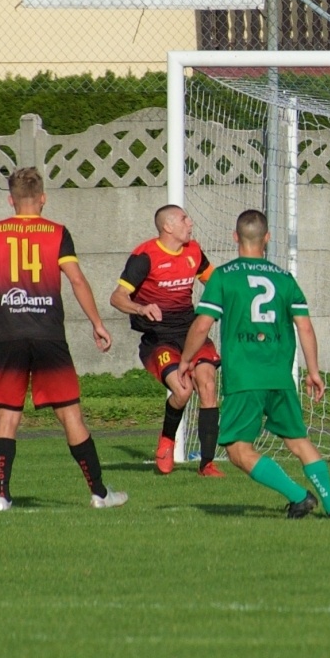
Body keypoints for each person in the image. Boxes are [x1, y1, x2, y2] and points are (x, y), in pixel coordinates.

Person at [0, 167, 126, 511]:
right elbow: (77, 280)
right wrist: (97, 323)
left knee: (7, 415)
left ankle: (1, 496)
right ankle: (99, 493)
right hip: (48, 335)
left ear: (10, 200)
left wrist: (4, 304)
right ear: (43, 199)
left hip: (8, 336)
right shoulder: (57, 232)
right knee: (70, 415)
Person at [177, 209, 330, 519]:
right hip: (280, 376)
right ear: (266, 238)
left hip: (245, 378)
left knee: (238, 449)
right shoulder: (284, 279)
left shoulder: (224, 276)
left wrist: (186, 359)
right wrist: (313, 371)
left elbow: (202, 325)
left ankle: (299, 496)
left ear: (235, 237)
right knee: (299, 442)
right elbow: (305, 328)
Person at [110, 204, 223, 477]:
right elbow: (117, 297)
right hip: (159, 338)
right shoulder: (145, 256)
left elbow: (217, 282)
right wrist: (140, 308)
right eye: (184, 219)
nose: (190, 223)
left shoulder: (193, 251)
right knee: (183, 391)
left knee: (207, 385)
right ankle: (166, 440)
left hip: (191, 333)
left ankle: (207, 464)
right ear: (168, 226)